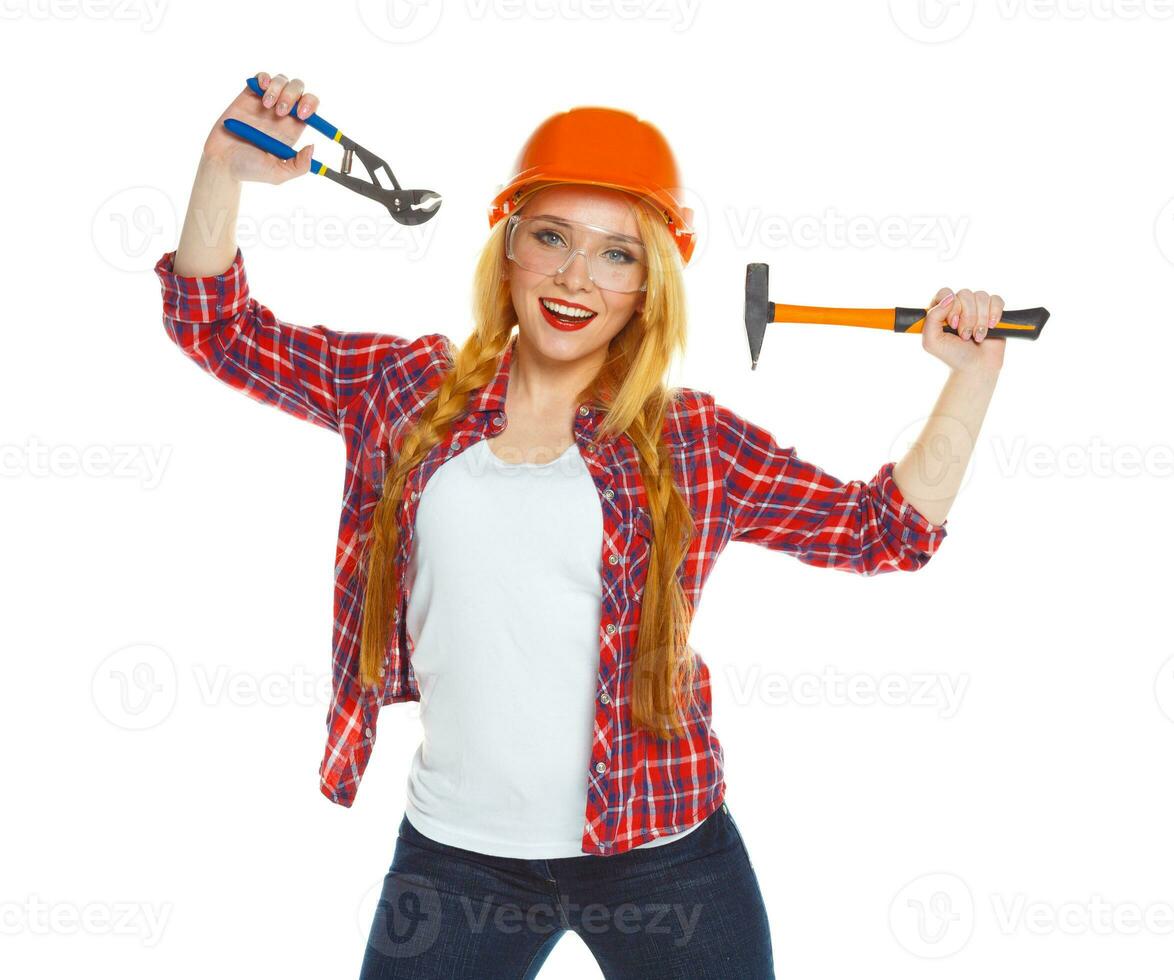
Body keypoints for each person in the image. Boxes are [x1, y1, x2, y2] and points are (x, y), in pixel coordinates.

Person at [156, 70, 1006, 980]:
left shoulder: (691, 442)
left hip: (668, 855)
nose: (573, 276)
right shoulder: (404, 392)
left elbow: (886, 531)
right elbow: (218, 329)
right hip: (458, 859)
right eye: (551, 237)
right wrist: (222, 171)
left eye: (616, 254)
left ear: (650, 285)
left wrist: (972, 374)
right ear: (509, 246)